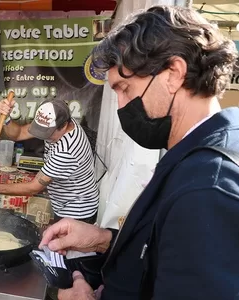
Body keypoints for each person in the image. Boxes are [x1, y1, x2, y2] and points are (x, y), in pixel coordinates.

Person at [39, 5, 239, 300]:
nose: (121, 107)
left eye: (125, 88)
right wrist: (103, 241)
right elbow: (164, 252)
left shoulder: (207, 189)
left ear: (173, 73)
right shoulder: (201, 151)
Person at [0, 98, 99, 224]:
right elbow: (18, 134)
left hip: (77, 211)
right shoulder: (59, 119)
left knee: (57, 243)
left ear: (64, 126)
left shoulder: (66, 152)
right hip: (64, 202)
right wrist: (6, 118)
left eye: (47, 132)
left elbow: (33, 188)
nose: (42, 135)